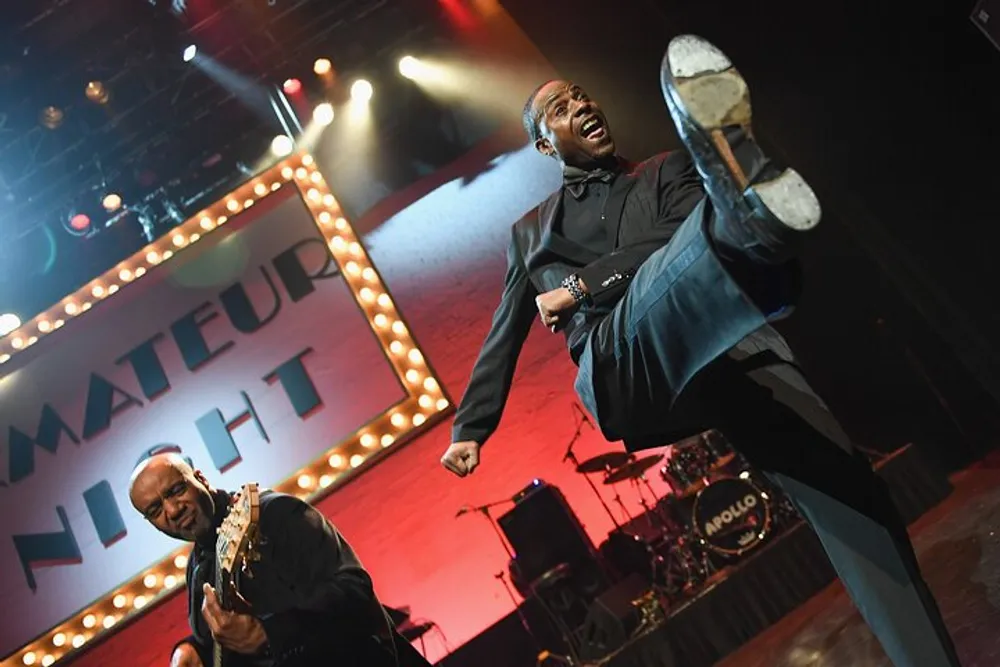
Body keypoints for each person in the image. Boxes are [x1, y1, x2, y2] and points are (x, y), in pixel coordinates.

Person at [440, 34, 961, 667]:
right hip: (624, 362)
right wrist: (471, 428)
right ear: (547, 145)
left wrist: (581, 284)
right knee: (683, 256)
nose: (580, 102)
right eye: (560, 105)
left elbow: (666, 238)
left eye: (583, 93)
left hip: (732, 350)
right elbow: (504, 332)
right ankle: (744, 213)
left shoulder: (662, 170)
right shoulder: (530, 235)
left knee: (855, 501)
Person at [128, 452, 431, 667]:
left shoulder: (274, 514)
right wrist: (191, 651)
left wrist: (268, 634)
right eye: (155, 509)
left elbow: (354, 591)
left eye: (176, 490)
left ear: (201, 479)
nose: (172, 510)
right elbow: (221, 644)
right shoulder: (197, 569)